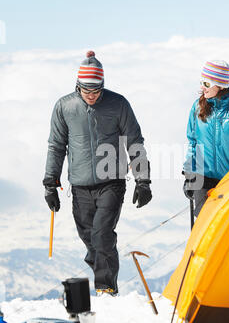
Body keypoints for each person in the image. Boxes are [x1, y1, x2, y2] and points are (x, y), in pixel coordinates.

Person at [43, 51, 152, 296]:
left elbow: (134, 141)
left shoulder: (118, 104)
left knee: (102, 234)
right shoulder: (64, 106)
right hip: (80, 184)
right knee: (91, 239)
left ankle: (105, 287)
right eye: (86, 91)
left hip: (111, 182)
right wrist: (51, 183)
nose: (92, 96)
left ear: (103, 87)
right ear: (78, 86)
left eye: (96, 92)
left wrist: (143, 180)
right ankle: (103, 275)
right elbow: (56, 145)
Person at [183, 59, 229, 217]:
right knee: (205, 221)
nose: (202, 87)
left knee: (227, 222)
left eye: (207, 83)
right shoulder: (197, 107)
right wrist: (190, 174)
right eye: (201, 82)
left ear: (221, 85)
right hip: (203, 177)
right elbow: (193, 142)